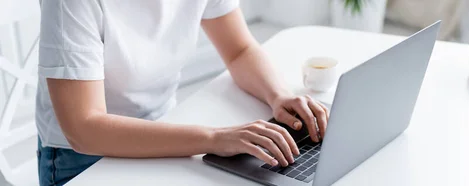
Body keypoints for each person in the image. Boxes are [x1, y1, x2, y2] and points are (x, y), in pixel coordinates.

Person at [36, 1, 329, 185]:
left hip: (165, 127)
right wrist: (214, 138)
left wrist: (278, 96)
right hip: (83, 159)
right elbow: (83, 128)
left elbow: (239, 50)